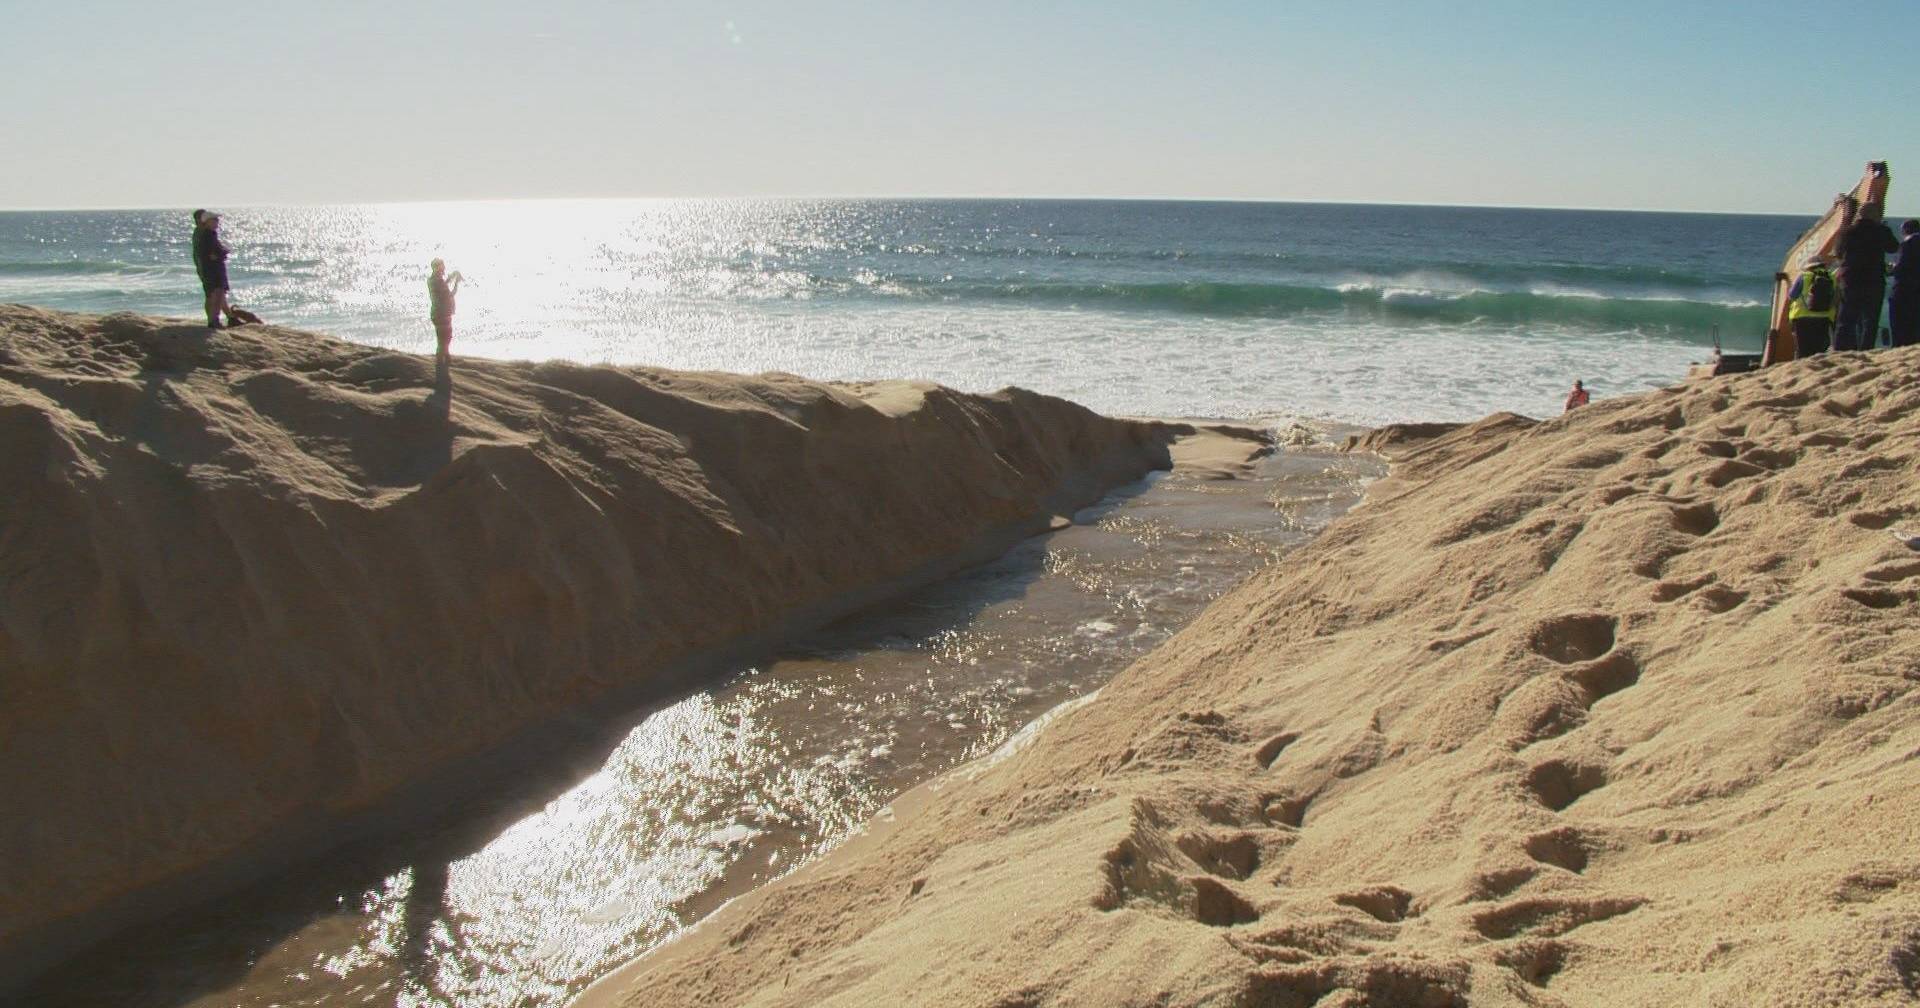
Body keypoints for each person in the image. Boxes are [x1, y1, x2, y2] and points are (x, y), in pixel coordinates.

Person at [1834, 202, 1899, 350]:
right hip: (1873, 279)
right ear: (1875, 215)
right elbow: (1893, 247)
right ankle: (1866, 348)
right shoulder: (1881, 230)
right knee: (1870, 320)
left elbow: (1838, 252)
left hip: (1850, 279)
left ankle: (1841, 349)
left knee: (1846, 318)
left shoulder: (1847, 231)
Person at [1786, 260, 1839, 356]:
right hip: (1824, 317)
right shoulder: (1832, 277)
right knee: (1819, 349)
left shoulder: (1804, 276)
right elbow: (1836, 297)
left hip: (1802, 317)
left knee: (1803, 349)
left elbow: (1792, 296)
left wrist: (1788, 284)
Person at [192, 209, 230, 328]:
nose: (217, 222)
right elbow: (211, 254)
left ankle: (225, 318)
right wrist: (222, 252)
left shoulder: (205, 234)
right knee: (215, 294)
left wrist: (220, 252)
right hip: (212, 269)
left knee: (216, 294)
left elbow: (213, 253)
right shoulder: (206, 235)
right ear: (206, 221)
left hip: (209, 268)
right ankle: (214, 320)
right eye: (214, 220)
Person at [1888, 219, 1920, 349]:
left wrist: (1892, 268)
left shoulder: (1907, 244)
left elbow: (1902, 267)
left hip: (1905, 288)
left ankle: (1899, 345)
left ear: (1905, 230)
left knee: (1900, 321)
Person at [428, 259, 462, 355]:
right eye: (442, 266)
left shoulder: (432, 280)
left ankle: (442, 362)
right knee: (445, 340)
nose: (444, 268)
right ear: (436, 268)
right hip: (442, 314)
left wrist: (450, 278)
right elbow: (450, 294)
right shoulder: (438, 281)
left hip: (437, 313)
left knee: (442, 341)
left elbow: (441, 288)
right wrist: (456, 283)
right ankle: (442, 364)